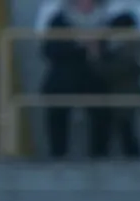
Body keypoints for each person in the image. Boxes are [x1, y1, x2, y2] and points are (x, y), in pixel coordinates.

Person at [41, 0, 109, 158]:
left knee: (104, 110)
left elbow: (111, 52)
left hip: (95, 77)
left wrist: (98, 51)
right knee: (57, 109)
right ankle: (58, 154)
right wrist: (79, 46)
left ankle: (100, 155)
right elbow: (49, 50)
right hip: (65, 76)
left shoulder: (105, 21)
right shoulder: (60, 20)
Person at [96, 10, 140, 158]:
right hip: (124, 95)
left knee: (125, 133)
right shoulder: (133, 46)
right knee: (124, 132)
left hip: (124, 95)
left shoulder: (130, 48)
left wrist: (95, 58)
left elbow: (113, 71)